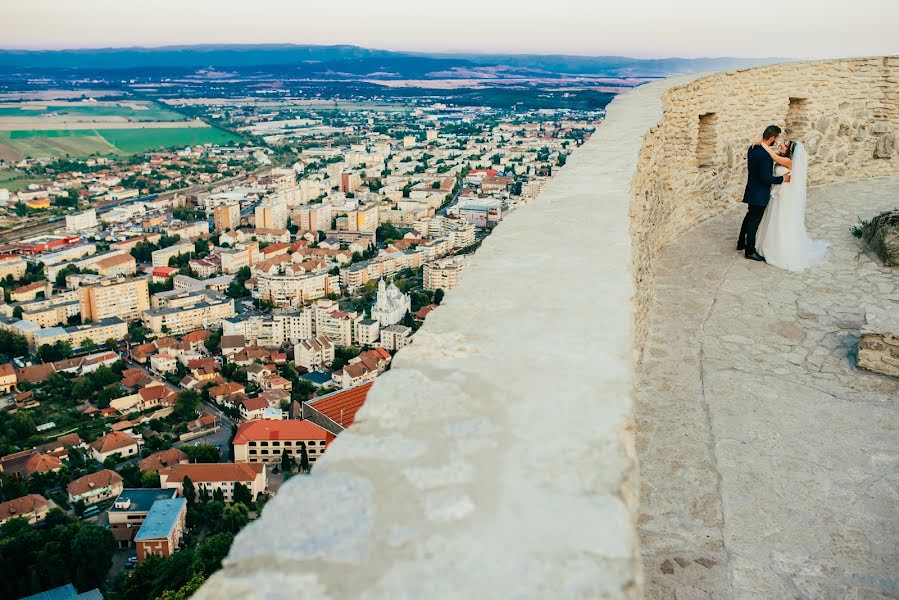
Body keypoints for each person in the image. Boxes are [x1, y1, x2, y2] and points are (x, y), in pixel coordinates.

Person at [755, 140, 828, 271]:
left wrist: (762, 143)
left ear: (790, 151)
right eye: (782, 143)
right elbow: (775, 153)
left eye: (785, 145)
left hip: (784, 197)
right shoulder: (784, 158)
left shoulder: (789, 162)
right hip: (777, 195)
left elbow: (773, 156)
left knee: (781, 221)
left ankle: (779, 250)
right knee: (772, 219)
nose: (781, 145)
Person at [738, 125, 790, 261]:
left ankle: (740, 243)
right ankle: (750, 251)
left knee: (749, 216)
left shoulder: (753, 148)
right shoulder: (766, 156)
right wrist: (783, 178)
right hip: (760, 192)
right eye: (776, 138)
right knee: (754, 221)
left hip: (751, 189)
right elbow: (766, 178)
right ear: (772, 138)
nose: (777, 141)